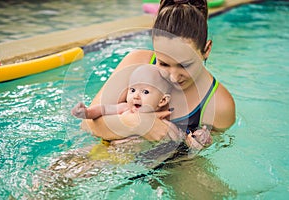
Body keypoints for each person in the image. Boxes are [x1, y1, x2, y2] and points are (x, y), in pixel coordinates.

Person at [81, 0, 235, 152]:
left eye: (185, 65)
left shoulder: (220, 104)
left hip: (176, 168)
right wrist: (137, 123)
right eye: (163, 63)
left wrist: (202, 144)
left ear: (206, 49)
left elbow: (217, 148)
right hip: (113, 156)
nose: (173, 77)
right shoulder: (137, 63)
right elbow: (87, 124)